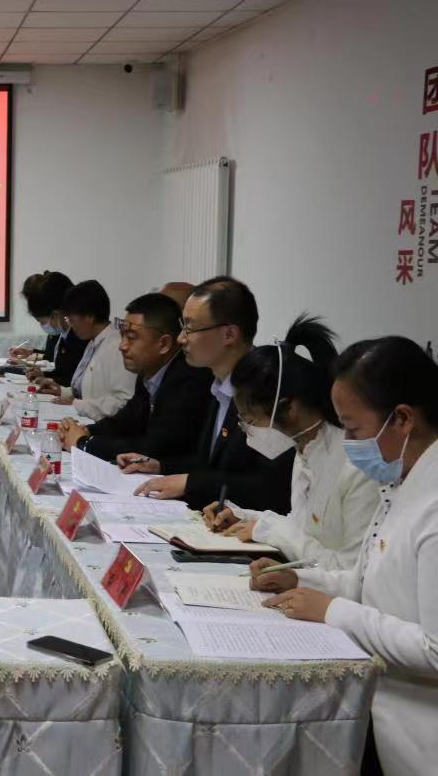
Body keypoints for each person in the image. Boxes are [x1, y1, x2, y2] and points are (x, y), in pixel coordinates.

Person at [250, 336, 438, 776]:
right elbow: (370, 580)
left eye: (353, 429)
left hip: (420, 734)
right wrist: (302, 581)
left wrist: (334, 611)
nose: (349, 444)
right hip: (380, 709)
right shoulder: (403, 480)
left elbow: (435, 649)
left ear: (403, 419)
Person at [203, 316, 377, 569]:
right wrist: (242, 516)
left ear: (289, 408)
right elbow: (300, 526)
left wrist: (267, 530)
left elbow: (349, 568)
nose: (246, 430)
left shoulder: (354, 464)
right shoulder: (303, 448)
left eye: (249, 420)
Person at [121, 276, 295, 512]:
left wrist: (192, 483)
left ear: (229, 334)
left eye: (190, 328)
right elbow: (210, 464)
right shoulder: (216, 384)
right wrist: (161, 466)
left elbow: (270, 488)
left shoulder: (266, 391)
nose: (181, 338)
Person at [60, 292, 213, 462]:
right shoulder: (148, 370)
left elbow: (155, 448)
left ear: (164, 344)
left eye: (131, 338)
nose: (122, 346)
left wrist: (85, 443)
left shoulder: (188, 380)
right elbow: (126, 420)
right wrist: (88, 430)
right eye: (122, 336)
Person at [35, 280, 135, 420]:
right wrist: (62, 391)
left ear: (89, 317)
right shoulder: (94, 341)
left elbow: (122, 403)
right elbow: (85, 391)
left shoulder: (117, 347)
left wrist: (76, 404)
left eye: (71, 319)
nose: (71, 325)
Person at [18, 271, 87, 387]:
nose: (43, 326)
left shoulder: (81, 335)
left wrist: (51, 380)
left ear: (55, 314)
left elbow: (75, 379)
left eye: (41, 322)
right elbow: (63, 373)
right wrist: (45, 375)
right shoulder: (65, 334)